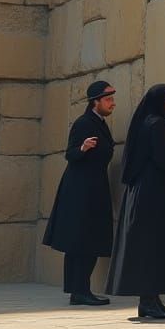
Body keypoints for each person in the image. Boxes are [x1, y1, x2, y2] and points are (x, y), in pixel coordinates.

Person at [106, 84, 165, 320]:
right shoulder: (157, 124)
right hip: (154, 197)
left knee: (151, 248)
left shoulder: (147, 122)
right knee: (151, 248)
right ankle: (149, 302)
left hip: (146, 195)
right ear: (161, 102)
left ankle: (151, 301)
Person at [42, 79, 117, 306]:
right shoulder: (85, 123)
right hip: (81, 191)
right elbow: (70, 154)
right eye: (108, 99)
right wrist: (82, 149)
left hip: (92, 188)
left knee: (87, 240)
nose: (112, 103)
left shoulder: (99, 122)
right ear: (96, 102)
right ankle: (79, 291)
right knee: (81, 241)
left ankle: (80, 290)